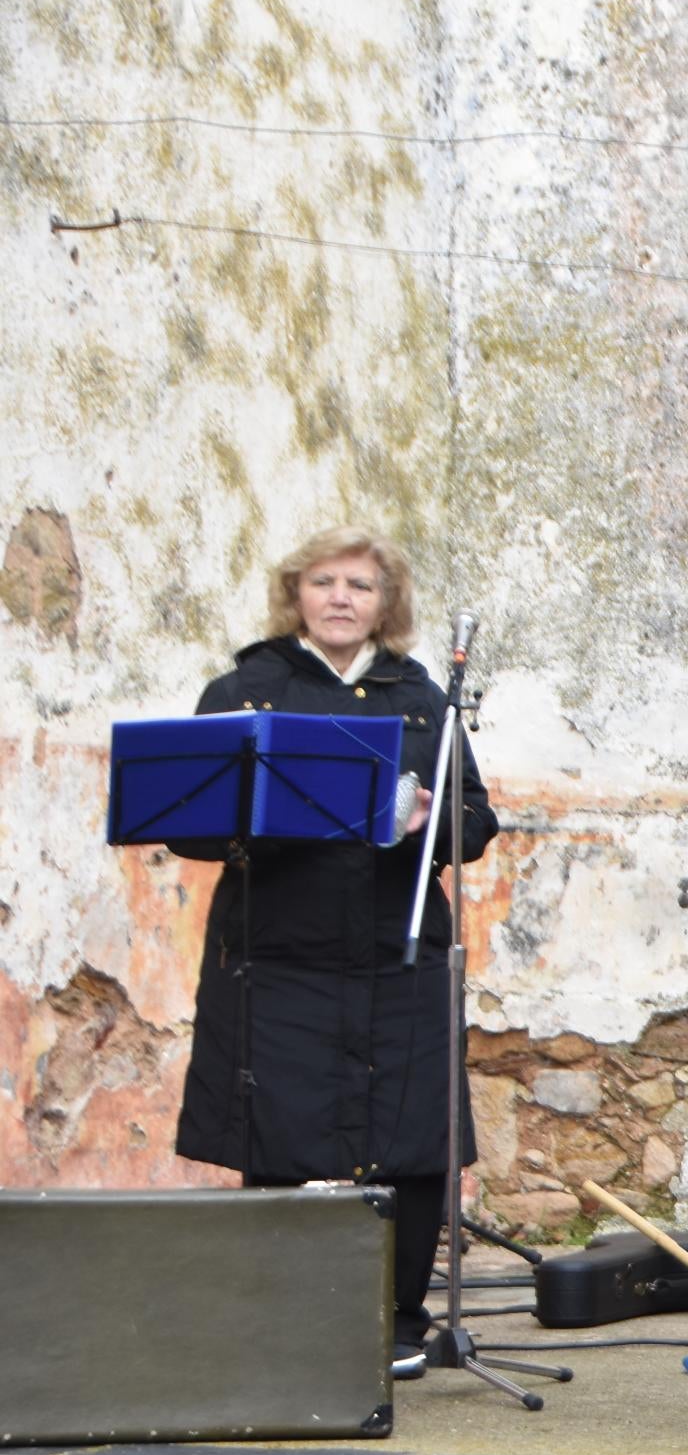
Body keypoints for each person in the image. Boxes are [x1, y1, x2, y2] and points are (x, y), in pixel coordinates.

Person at [171, 527, 499, 1380]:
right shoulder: (247, 690)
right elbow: (191, 827)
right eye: (324, 581)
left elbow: (478, 824)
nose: (342, 597)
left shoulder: (424, 698)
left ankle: (398, 1320)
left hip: (398, 950)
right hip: (280, 952)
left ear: (386, 602)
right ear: (297, 595)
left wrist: (434, 817)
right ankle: (283, 1312)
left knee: (413, 1130)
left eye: (361, 583)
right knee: (276, 1125)